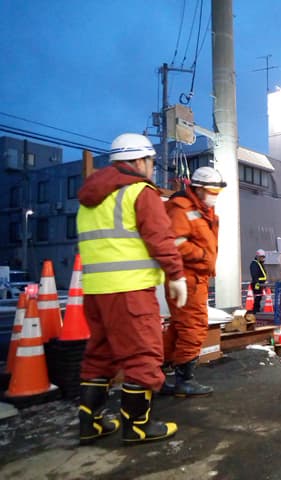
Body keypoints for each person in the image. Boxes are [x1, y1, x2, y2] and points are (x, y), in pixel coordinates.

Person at [76, 133, 187, 444]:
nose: (152, 168)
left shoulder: (89, 198)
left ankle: (90, 424)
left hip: (95, 291)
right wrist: (176, 274)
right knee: (143, 354)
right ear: (139, 161)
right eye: (151, 162)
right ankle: (138, 426)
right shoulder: (140, 191)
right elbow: (160, 237)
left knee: (100, 354)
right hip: (130, 291)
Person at [162, 166, 226, 398]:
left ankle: (157, 373)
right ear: (197, 189)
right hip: (187, 278)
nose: (215, 196)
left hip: (194, 278)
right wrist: (202, 256)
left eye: (218, 192)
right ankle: (184, 381)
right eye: (212, 191)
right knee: (194, 327)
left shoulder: (203, 210)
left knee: (180, 327)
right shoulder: (182, 208)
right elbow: (174, 242)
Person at [249, 249, 268, 314]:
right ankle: (255, 310)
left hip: (260, 284)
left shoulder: (259, 263)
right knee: (257, 297)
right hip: (257, 284)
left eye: (263, 257)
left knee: (259, 297)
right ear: (258, 256)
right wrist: (257, 284)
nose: (263, 258)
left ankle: (256, 310)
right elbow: (255, 275)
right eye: (261, 257)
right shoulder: (255, 264)